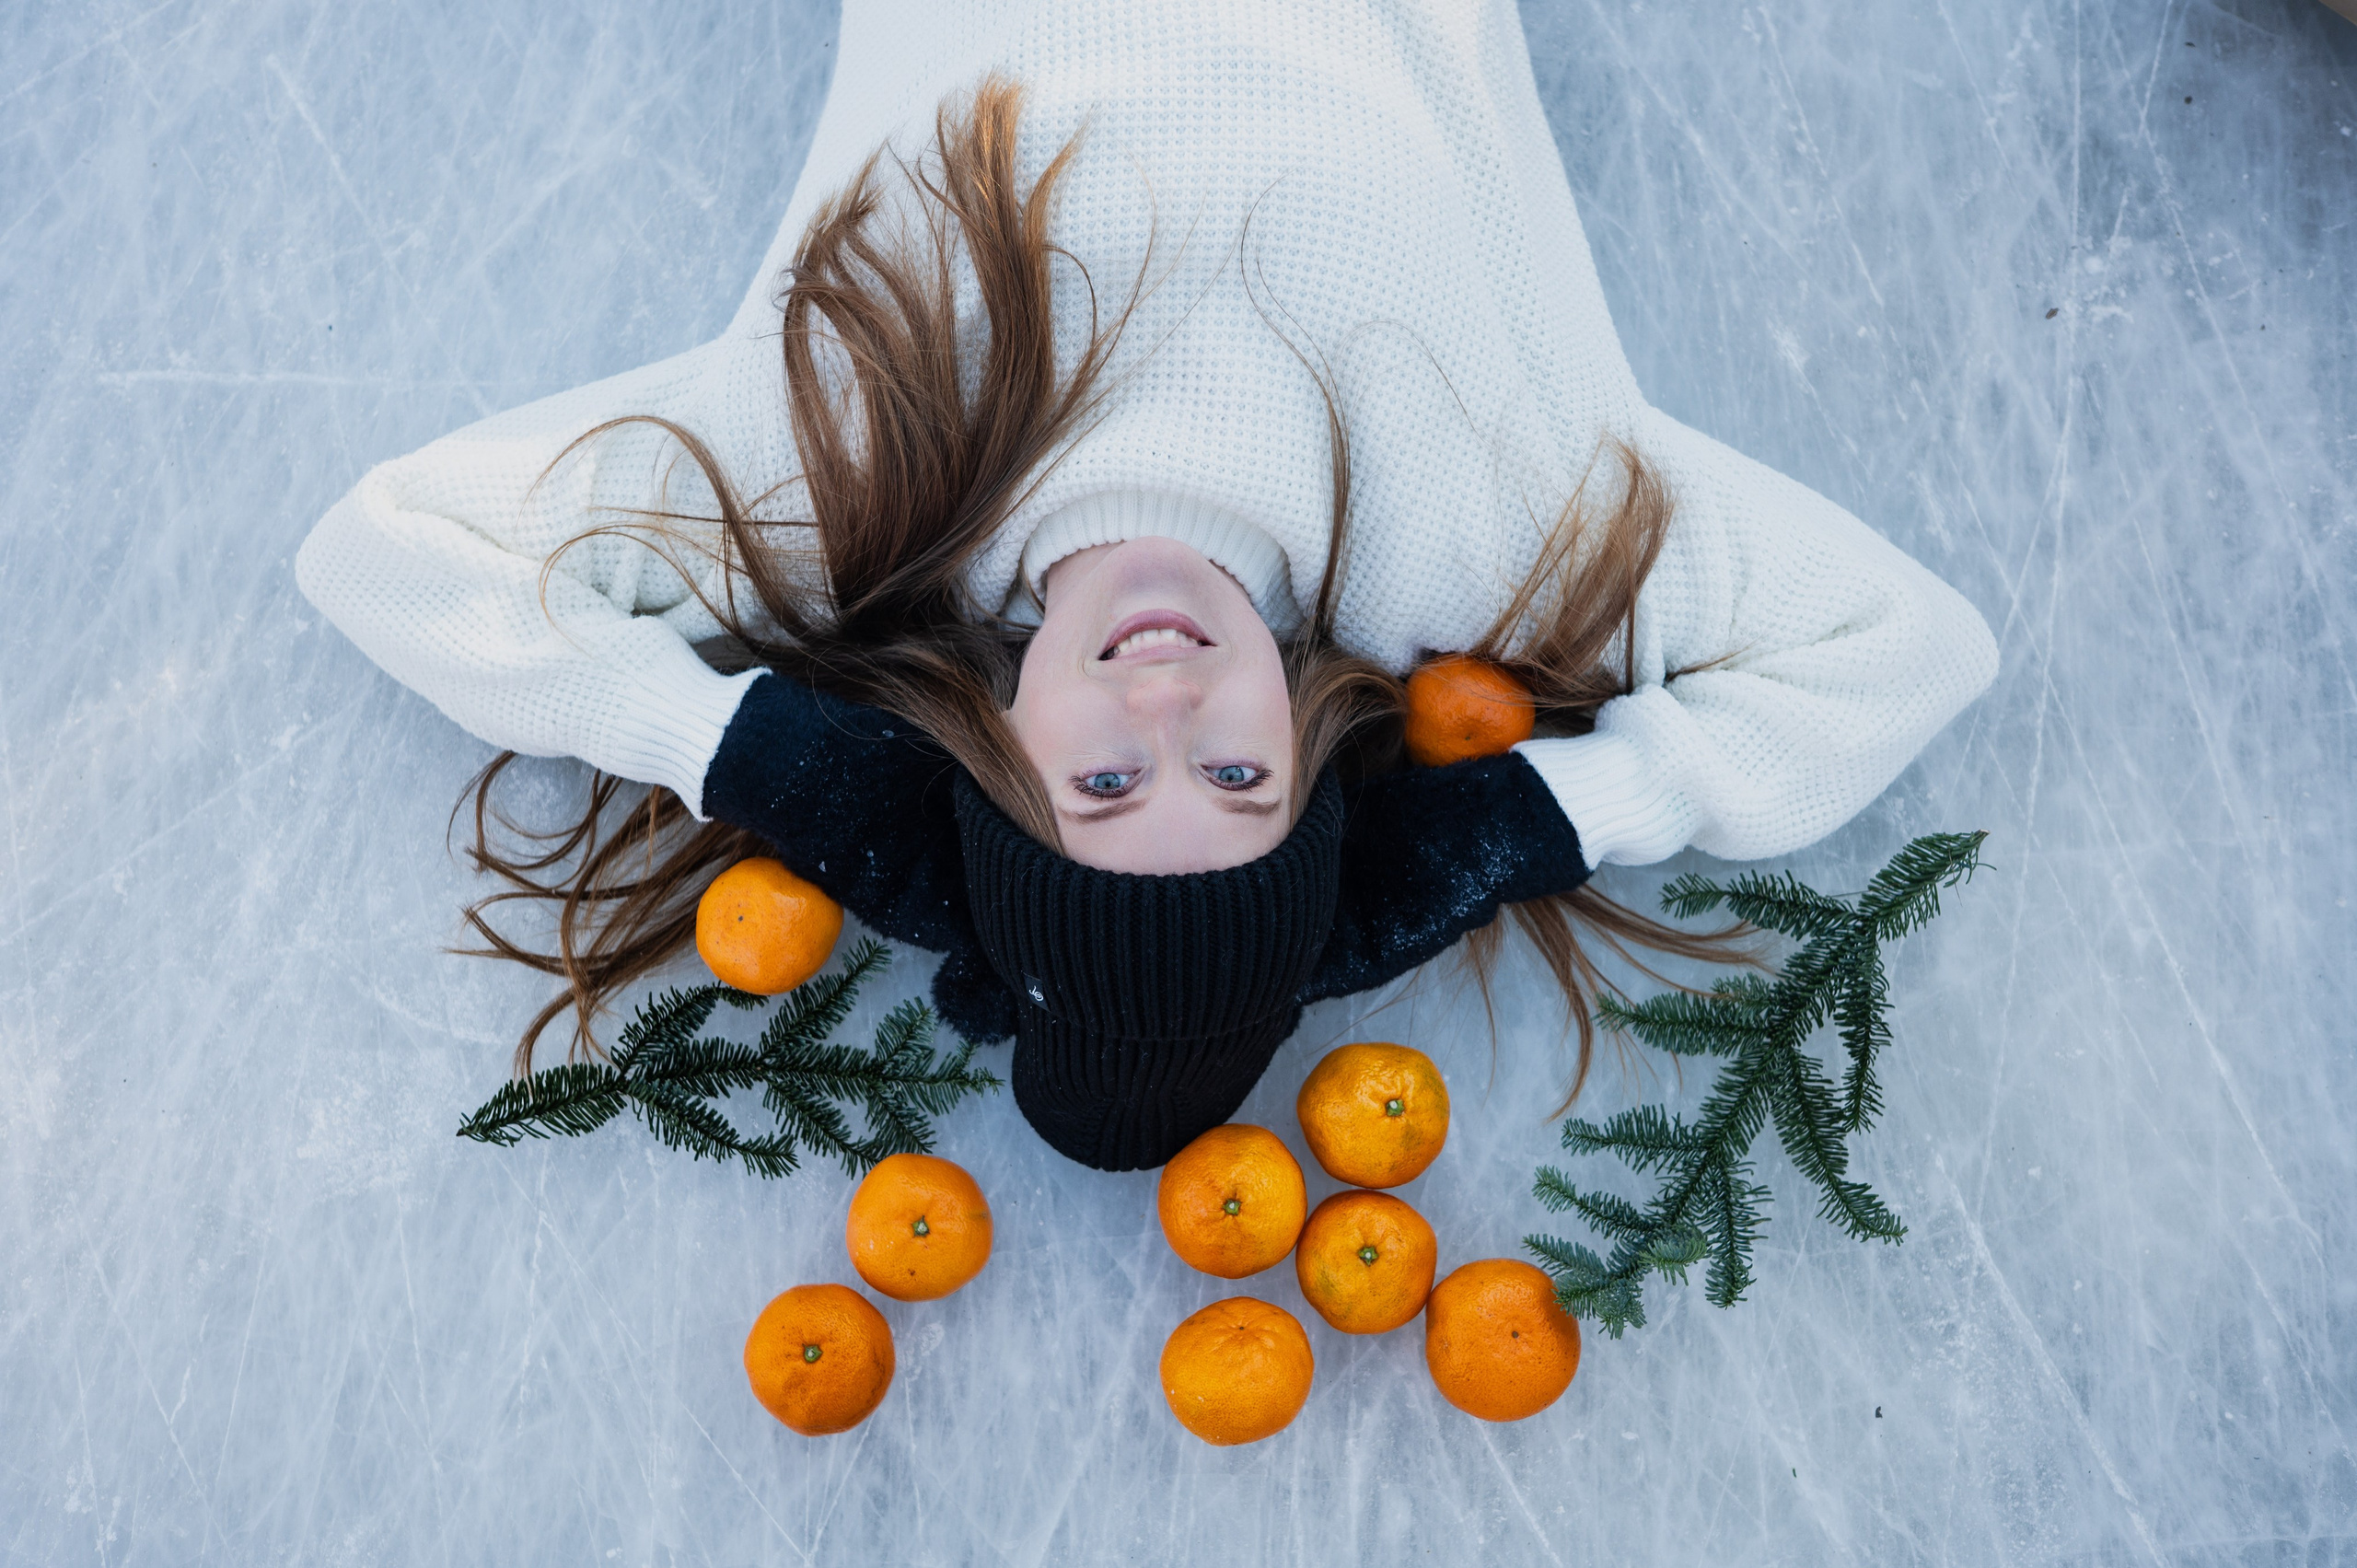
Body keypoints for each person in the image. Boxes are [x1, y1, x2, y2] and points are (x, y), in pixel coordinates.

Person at [295, 3, 1998, 1170]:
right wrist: (1538, 818)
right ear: (1319, 770)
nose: (1171, 702)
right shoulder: (1475, 537)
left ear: (980, 761)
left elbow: (388, 551)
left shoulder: (857, 484)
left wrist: (753, 755)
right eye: (1241, 778)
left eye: (1104, 784)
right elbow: (1904, 650)